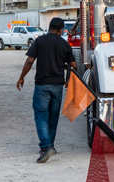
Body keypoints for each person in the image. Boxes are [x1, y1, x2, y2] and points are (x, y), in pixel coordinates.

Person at [16, 17, 77, 163]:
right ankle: (50, 146)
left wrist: (21, 77)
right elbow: (74, 65)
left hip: (42, 85)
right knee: (53, 117)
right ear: (61, 30)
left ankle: (46, 146)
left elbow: (30, 60)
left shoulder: (40, 41)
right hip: (57, 86)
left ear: (49, 27)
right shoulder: (64, 44)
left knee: (41, 115)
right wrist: (69, 78)